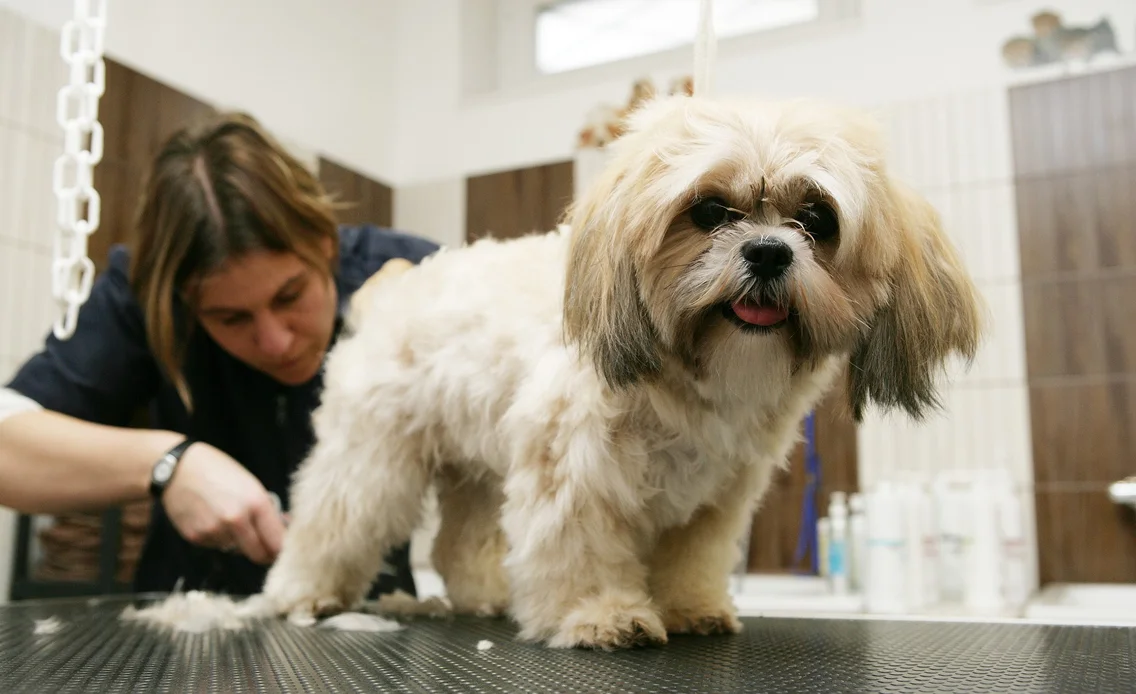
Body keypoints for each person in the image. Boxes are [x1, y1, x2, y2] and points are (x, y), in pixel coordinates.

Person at [0, 111, 440, 598]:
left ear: (325, 243)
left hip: (369, 629)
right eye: (231, 319)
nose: (275, 342)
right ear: (185, 300)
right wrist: (169, 464)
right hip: (191, 632)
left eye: (290, 296)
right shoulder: (144, 297)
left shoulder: (406, 275)